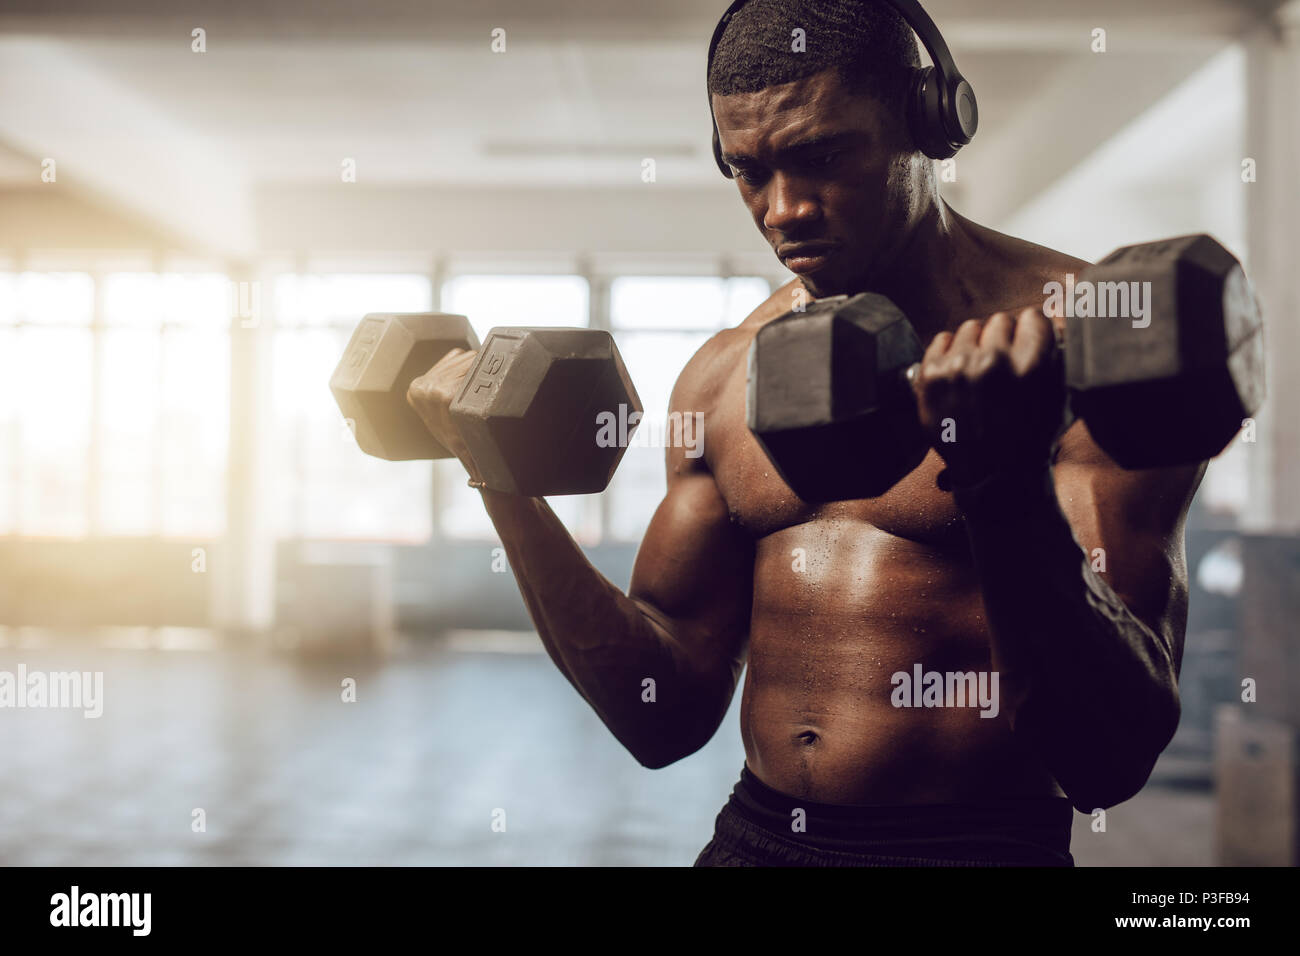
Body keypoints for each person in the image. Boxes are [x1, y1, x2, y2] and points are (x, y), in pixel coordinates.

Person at [406, 0, 1201, 866]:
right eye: (748, 171)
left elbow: (1107, 759)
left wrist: (1002, 479)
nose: (782, 210)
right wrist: (499, 481)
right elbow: (659, 716)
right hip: (756, 839)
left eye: (821, 157)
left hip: (975, 847)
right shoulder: (721, 377)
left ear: (930, 123)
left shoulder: (1089, 347)